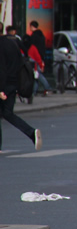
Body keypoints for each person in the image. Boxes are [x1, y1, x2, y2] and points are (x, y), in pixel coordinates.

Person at [0, 23, 41, 151]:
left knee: (7, 113)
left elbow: (1, 68)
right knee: (7, 113)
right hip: (12, 84)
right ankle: (31, 133)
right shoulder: (12, 43)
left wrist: (1, 89)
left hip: (3, 85)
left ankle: (30, 132)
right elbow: (20, 62)